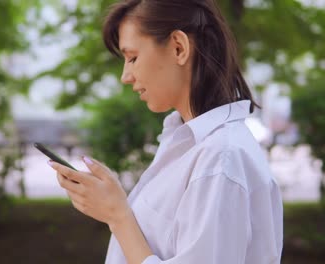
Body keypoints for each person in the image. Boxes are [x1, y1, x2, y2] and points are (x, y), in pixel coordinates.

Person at [48, 0, 283, 263]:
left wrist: (118, 216)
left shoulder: (220, 158)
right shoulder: (184, 141)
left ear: (178, 48)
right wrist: (115, 206)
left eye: (133, 57)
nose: (126, 76)